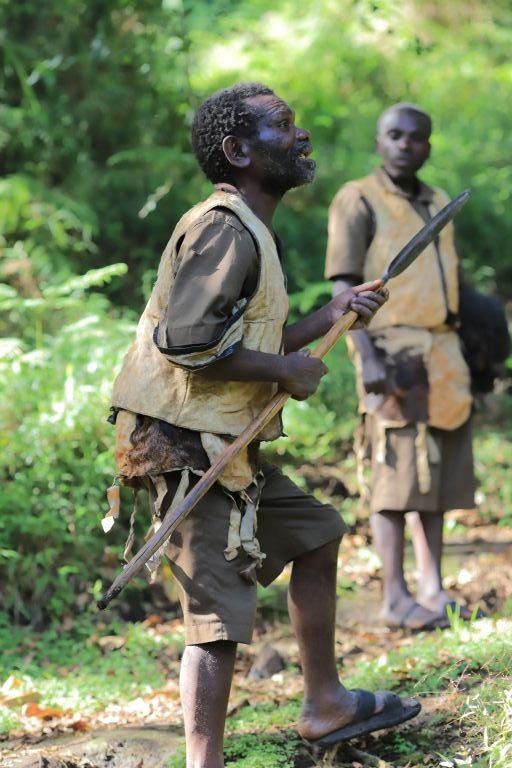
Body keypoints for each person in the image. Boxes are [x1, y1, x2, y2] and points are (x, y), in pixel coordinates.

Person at [107, 83, 420, 767]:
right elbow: (187, 341)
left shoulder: (252, 228)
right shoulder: (223, 226)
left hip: (226, 442)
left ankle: (324, 702)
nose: (301, 136)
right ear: (238, 150)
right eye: (284, 125)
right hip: (187, 446)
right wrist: (284, 371)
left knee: (317, 534)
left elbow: (251, 334)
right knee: (217, 624)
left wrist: (336, 313)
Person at [325, 102, 481, 631]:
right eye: (394, 134)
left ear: (428, 146)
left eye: (416, 137)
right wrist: (364, 354)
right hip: (390, 348)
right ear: (378, 141)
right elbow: (343, 283)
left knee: (434, 472)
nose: (405, 144)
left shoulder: (436, 200)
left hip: (442, 351)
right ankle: (394, 595)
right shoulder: (358, 198)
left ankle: (432, 588)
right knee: (396, 477)